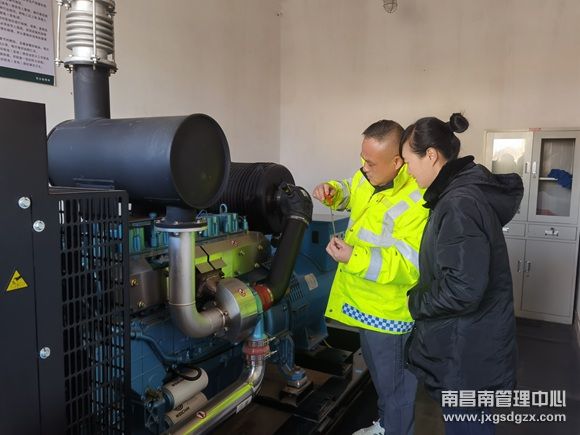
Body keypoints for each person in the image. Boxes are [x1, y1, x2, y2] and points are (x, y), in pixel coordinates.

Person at [400, 113, 522, 435]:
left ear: (430, 155)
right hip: (471, 344)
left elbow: (463, 288)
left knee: (468, 426)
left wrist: (416, 302)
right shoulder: (459, 194)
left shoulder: (458, 203)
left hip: (466, 353)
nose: (407, 171)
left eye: (408, 161)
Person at [313, 120, 429, 435]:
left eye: (371, 163)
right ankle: (386, 426)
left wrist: (354, 256)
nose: (364, 167)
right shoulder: (367, 176)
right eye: (362, 159)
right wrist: (333, 191)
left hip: (388, 314)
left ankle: (395, 430)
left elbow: (409, 265)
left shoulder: (417, 199)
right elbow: (351, 191)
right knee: (382, 381)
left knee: (397, 389)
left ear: (398, 161)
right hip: (364, 306)